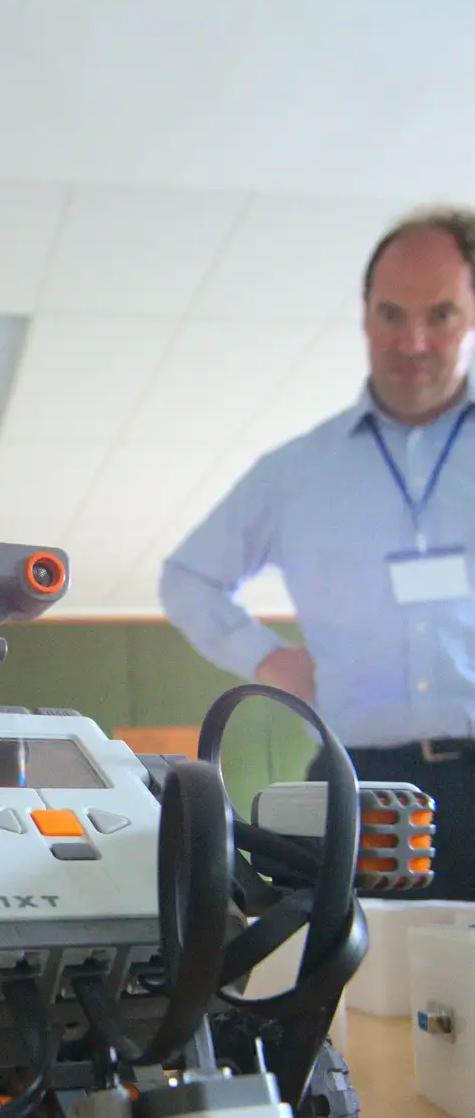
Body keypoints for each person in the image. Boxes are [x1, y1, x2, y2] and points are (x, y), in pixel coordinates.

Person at [160, 207, 475, 902]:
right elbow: (187, 578)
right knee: (346, 991)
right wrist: (269, 660)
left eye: (442, 315)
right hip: (354, 783)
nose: (413, 340)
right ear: (364, 314)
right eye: (392, 313)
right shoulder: (297, 472)